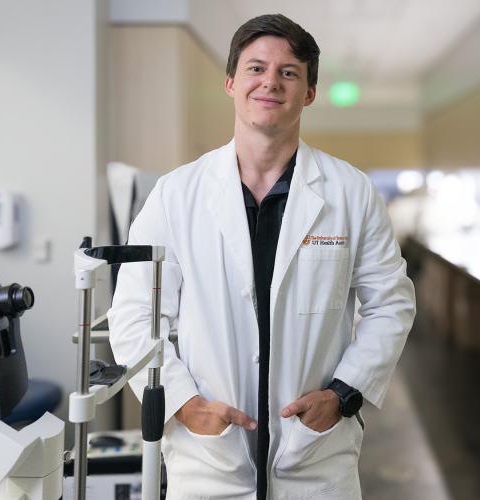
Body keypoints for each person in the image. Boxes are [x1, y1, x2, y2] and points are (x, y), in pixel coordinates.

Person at [108, 13, 415, 500]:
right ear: (231, 83)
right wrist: (185, 405)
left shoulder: (350, 192)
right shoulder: (176, 195)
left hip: (314, 456)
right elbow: (133, 316)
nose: (270, 81)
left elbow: (391, 304)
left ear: (309, 93)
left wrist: (343, 395)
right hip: (209, 455)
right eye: (255, 68)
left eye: (289, 72)